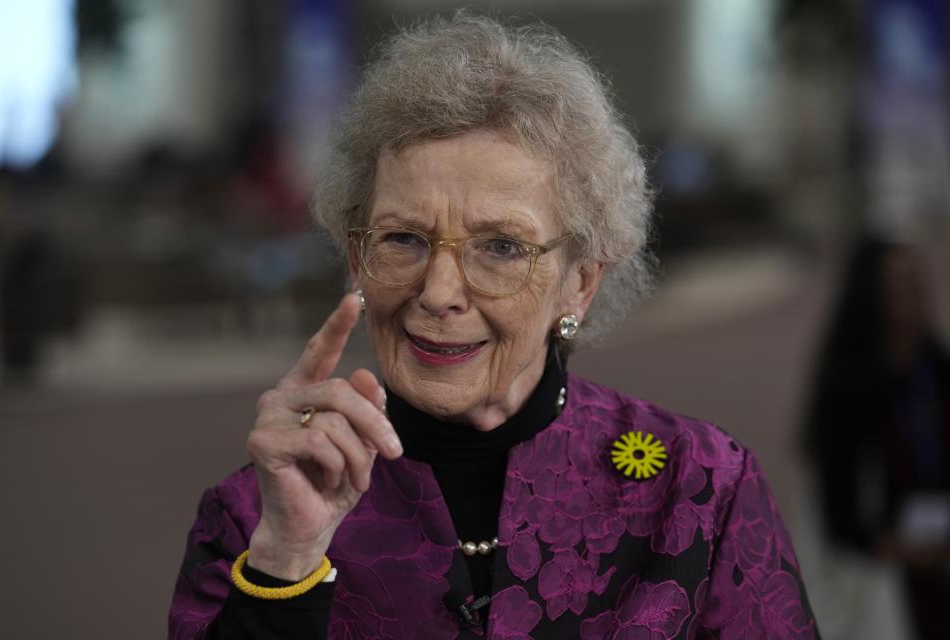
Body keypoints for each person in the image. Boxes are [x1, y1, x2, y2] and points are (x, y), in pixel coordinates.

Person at [169, 13, 818, 639]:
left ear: (581, 282)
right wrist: (288, 559)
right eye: (403, 239)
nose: (440, 293)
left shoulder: (700, 489)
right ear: (356, 260)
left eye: (502, 247)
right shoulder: (258, 515)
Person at [807, 238, 950, 639]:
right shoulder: (850, 390)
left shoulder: (936, 370)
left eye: (915, 283)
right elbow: (838, 517)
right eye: (898, 285)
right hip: (888, 578)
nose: (913, 296)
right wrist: (901, 549)